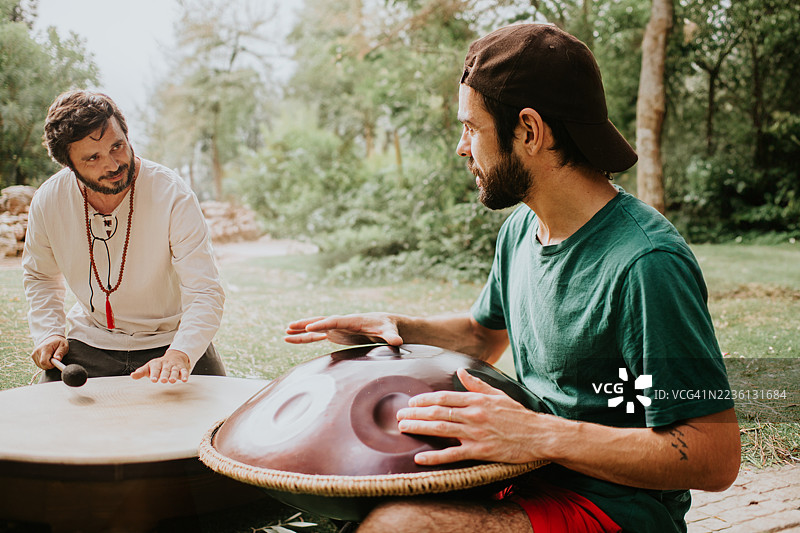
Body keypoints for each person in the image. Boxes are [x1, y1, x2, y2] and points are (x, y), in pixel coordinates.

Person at [285, 24, 740, 532]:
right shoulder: (522, 229)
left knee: (398, 526)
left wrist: (538, 434)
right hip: (528, 475)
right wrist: (397, 327)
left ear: (529, 130)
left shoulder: (646, 263)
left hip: (614, 510)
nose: (462, 148)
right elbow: (483, 335)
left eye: (471, 128)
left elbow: (714, 454)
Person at [23, 90, 226, 385]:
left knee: (221, 411)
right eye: (93, 157)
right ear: (69, 164)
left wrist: (181, 353)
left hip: (172, 339)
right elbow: (40, 276)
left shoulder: (173, 193)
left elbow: (205, 290)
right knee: (50, 412)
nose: (113, 164)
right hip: (90, 339)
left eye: (117, 146)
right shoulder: (48, 200)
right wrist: (49, 332)